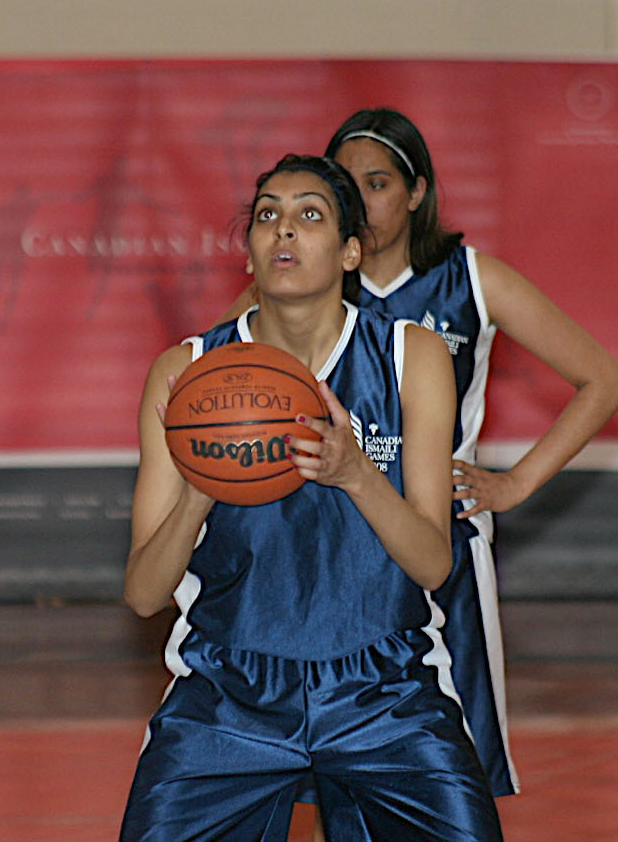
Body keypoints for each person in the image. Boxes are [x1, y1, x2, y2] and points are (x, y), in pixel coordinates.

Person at [221, 109, 618, 808]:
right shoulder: (294, 289)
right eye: (345, 185)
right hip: (323, 542)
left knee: (452, 769)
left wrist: (515, 482)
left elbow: (605, 380)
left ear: (416, 193)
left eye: (377, 182)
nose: (363, 198)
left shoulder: (469, 279)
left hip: (435, 542)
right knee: (321, 771)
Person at [120, 154, 503, 842]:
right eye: (266, 214)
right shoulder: (185, 375)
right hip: (225, 691)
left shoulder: (408, 357)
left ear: (351, 249)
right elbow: (145, 593)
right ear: (248, 250)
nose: (283, 231)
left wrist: (356, 471)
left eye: (309, 214)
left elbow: (432, 565)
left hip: (385, 685)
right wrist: (201, 492)